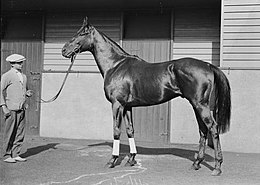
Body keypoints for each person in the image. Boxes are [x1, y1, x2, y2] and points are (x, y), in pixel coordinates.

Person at [0, 54, 33, 163]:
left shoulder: (23, 76)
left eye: (21, 62)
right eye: (19, 63)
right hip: (11, 108)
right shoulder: (7, 75)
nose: (21, 64)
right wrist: (3, 106)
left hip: (21, 108)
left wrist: (27, 93)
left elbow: (23, 90)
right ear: (12, 64)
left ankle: (16, 154)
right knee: (9, 132)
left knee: (20, 132)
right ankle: (6, 155)